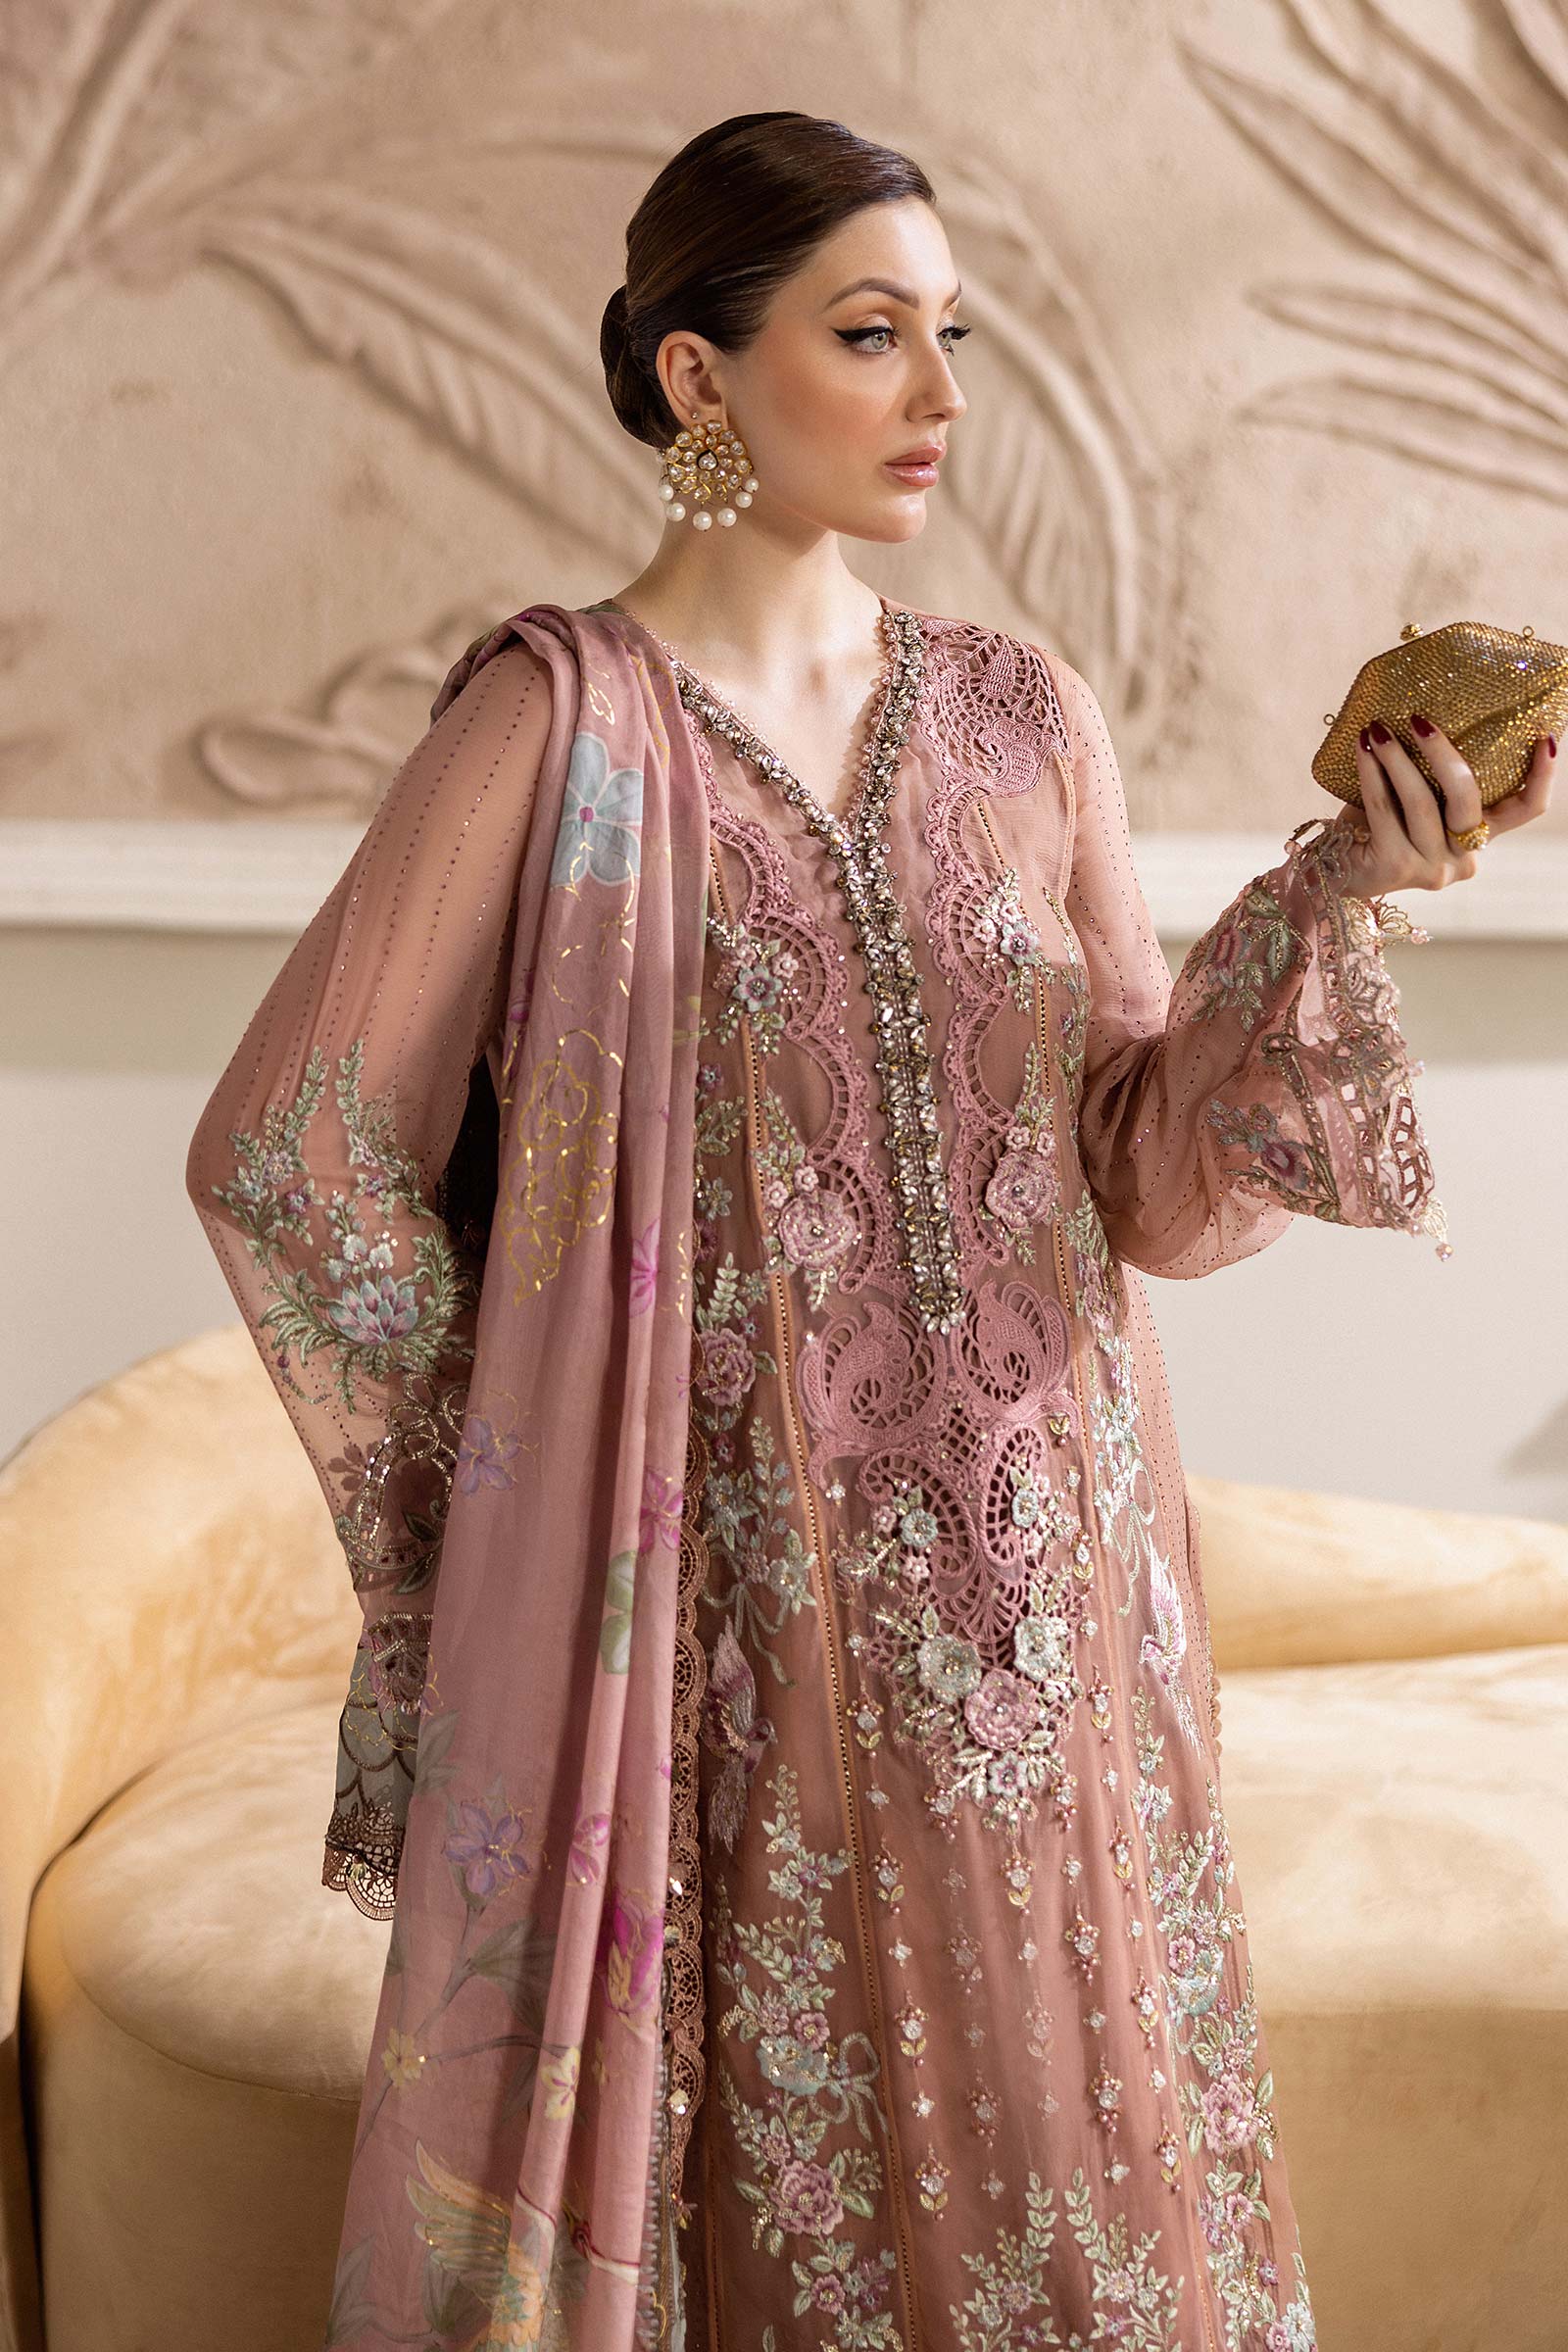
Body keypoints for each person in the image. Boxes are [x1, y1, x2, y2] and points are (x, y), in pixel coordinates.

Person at [185, 110, 1552, 2352]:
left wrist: (1339, 891)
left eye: (950, 337)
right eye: (865, 334)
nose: (935, 394)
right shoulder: (554, 728)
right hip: (745, 1636)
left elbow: (1141, 1176)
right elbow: (293, 1146)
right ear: (697, 375)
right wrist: (523, 1515)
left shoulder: (1021, 719)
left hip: (1062, 1604)